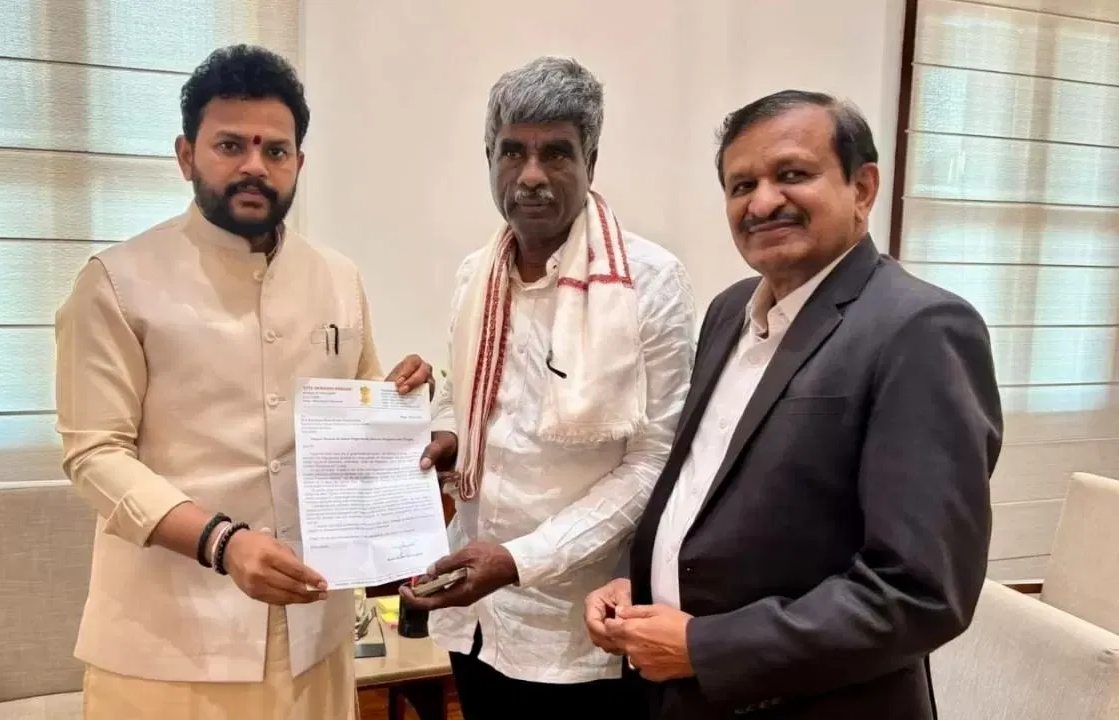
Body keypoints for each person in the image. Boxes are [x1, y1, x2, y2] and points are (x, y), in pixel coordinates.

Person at [585, 90, 1002, 719]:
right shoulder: (729, 311)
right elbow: (699, 485)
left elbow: (919, 591)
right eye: (741, 185)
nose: (762, 202)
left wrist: (707, 648)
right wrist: (640, 581)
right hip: (682, 694)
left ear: (863, 188)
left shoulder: (920, 329)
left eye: (793, 174)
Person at [54, 44, 431, 720]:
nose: (255, 165)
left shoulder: (338, 278)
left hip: (315, 632)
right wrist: (223, 544)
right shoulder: (115, 283)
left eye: (275, 150)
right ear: (186, 155)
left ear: (298, 164)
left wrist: (400, 401)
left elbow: (361, 416)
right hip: (167, 646)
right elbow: (95, 456)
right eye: (231, 145)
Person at [399, 56, 697, 718]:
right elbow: (462, 391)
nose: (531, 175)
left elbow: (654, 462)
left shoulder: (650, 281)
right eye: (513, 152)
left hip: (579, 630)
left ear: (592, 160)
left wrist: (520, 560)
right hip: (475, 617)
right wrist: (445, 431)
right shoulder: (476, 273)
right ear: (489, 159)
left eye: (556, 153)